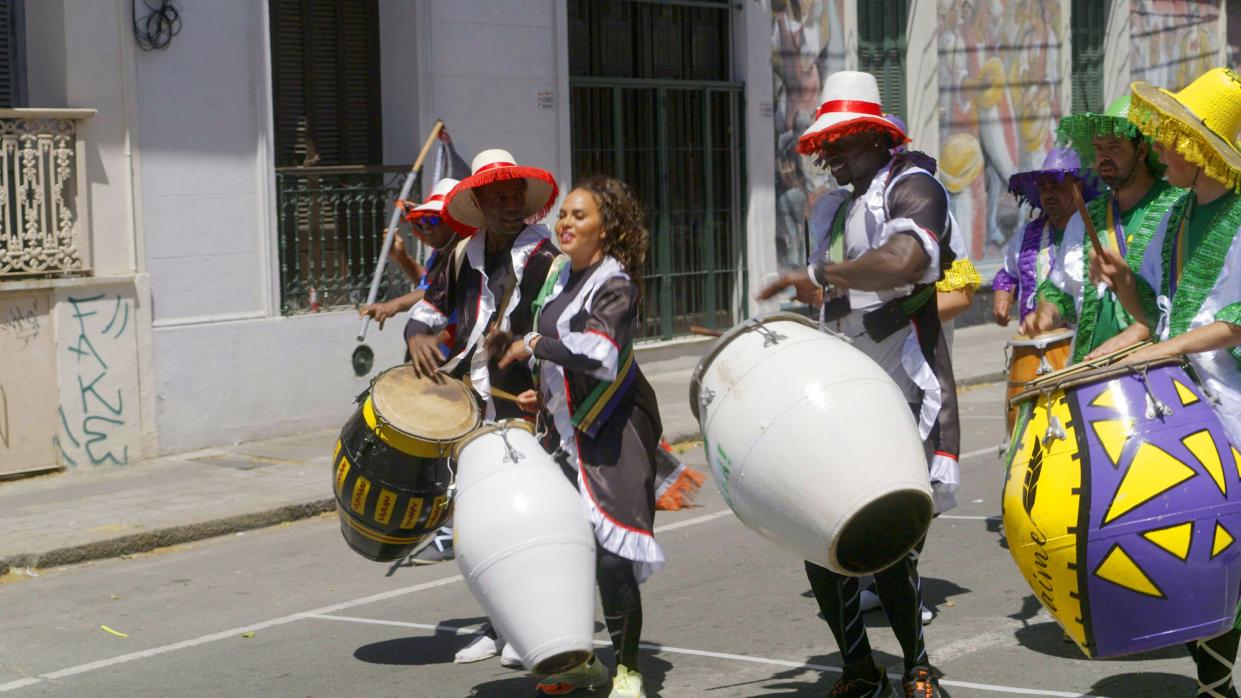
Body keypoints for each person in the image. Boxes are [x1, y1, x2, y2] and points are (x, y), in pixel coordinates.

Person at [759, 70, 955, 698]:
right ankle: (859, 668)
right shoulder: (836, 207)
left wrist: (822, 271)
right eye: (825, 146)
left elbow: (908, 261)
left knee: (884, 536)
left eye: (840, 143)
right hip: (841, 391)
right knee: (820, 534)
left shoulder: (915, 185)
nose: (830, 156)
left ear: (873, 136)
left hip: (901, 386)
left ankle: (917, 664)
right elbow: (832, 304)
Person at [1088, 66, 1241, 698]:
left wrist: (1165, 348)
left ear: (1202, 151)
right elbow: (1157, 314)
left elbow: (1233, 323)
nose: (1159, 148)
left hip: (1231, 405)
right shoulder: (1177, 213)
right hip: (1185, 400)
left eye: (1172, 138)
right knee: (1198, 553)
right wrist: (1123, 285)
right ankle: (1215, 686)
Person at [492, 176, 663, 698]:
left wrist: (534, 343)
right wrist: (538, 394)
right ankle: (579, 661)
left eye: (579, 215)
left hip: (615, 433)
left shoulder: (616, 285)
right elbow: (550, 353)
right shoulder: (561, 276)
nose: (565, 222)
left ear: (606, 230)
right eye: (563, 214)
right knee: (557, 550)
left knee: (612, 559)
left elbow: (599, 354)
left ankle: (629, 669)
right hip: (564, 433)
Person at [403, 149, 560, 665]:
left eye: (517, 196)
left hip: (526, 402)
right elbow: (428, 308)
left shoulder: (544, 259)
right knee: (478, 520)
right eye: (501, 196)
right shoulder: (460, 255)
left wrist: (533, 369)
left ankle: (531, 626)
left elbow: (557, 329)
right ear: (481, 202)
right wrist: (416, 334)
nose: (512, 205)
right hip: (471, 403)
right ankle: (501, 622)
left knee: (523, 519)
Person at [1028, 97, 1183, 363]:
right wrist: (1046, 313)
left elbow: (1184, 297)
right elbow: (1060, 289)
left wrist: (1142, 328)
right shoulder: (1087, 216)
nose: (1104, 158)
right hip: (1092, 362)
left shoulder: (1177, 207)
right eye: (1099, 149)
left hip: (1155, 363)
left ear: (1142, 150)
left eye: (1115, 147)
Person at [990, 148, 1097, 328]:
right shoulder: (1025, 235)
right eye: (1043, 187)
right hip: (1034, 341)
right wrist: (1002, 299)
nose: (1048, 194)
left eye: (1056, 186)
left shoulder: (1096, 230)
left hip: (1082, 343)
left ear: (1077, 188)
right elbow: (1008, 275)